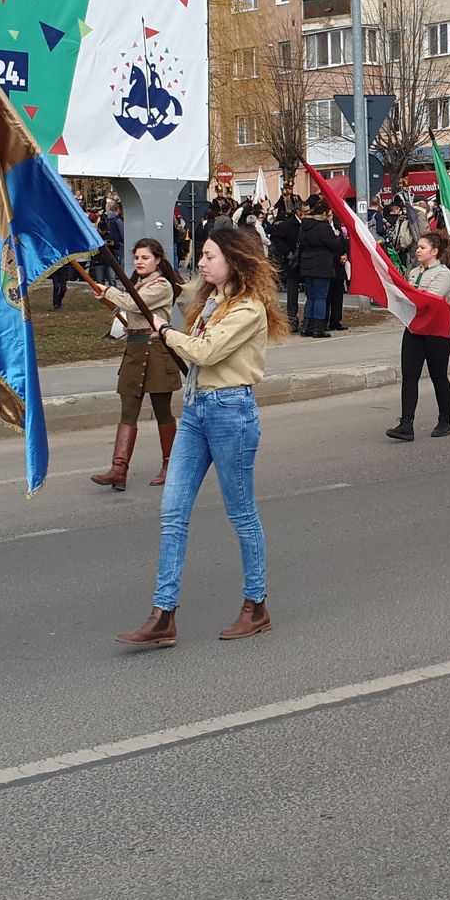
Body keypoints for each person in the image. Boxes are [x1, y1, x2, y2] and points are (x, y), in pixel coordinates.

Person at [115, 227, 289, 649]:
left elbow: (207, 352)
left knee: (242, 514)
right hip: (196, 411)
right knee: (173, 512)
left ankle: (256, 605)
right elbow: (177, 292)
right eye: (203, 256)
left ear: (233, 259)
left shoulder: (248, 309)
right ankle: (163, 614)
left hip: (232, 413)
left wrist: (164, 330)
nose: (203, 263)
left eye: (210, 256)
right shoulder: (211, 300)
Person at [90, 239, 186, 491]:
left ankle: (171, 466)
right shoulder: (139, 284)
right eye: (137, 258)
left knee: (162, 411)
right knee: (128, 411)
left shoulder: (162, 285)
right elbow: (129, 308)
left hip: (157, 351)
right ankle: (118, 470)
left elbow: (134, 303)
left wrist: (108, 291)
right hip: (134, 350)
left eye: (145, 258)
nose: (140, 262)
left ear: (157, 260)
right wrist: (107, 299)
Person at [387, 231, 450, 441]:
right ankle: (406, 423)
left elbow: (428, 300)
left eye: (423, 247)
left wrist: (406, 294)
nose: (418, 250)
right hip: (415, 329)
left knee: (438, 377)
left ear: (434, 251)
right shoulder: (414, 272)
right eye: (417, 247)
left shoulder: (443, 274)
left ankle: (445, 421)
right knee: (409, 376)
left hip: (437, 331)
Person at [295, 194, 345, 338]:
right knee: (321, 297)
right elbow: (334, 245)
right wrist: (336, 235)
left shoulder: (305, 225)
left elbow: (301, 243)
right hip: (321, 263)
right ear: (324, 213)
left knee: (311, 297)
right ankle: (318, 328)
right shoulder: (323, 227)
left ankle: (306, 327)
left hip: (307, 262)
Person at [269, 196, 303, 333]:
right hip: (293, 263)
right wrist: (287, 252)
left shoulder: (307, 223)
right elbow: (276, 238)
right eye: (304, 211)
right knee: (292, 293)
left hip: (307, 261)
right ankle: (291, 320)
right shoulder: (288, 224)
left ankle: (308, 320)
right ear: (298, 211)